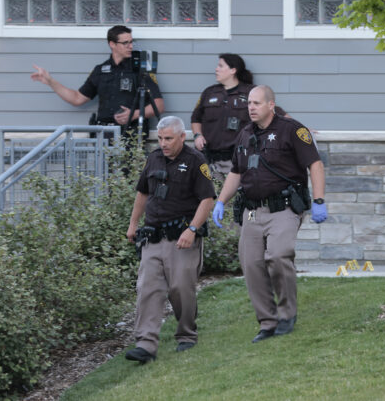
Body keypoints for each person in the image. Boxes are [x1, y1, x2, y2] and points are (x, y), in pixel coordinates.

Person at [212, 85, 327, 344]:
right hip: (252, 211)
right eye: (249, 103)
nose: (251, 107)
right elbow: (236, 172)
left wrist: (319, 200)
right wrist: (220, 201)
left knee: (278, 255)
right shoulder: (244, 135)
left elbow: (315, 164)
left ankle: (287, 315)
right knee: (251, 264)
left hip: (283, 209)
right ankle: (267, 322)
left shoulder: (293, 130)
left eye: (257, 103)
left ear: (271, 105)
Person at [125, 116, 216, 363]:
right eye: (160, 138)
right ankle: (146, 344)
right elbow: (143, 192)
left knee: (180, 288)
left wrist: (193, 230)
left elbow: (207, 199)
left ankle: (186, 334)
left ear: (181, 137)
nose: (163, 143)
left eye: (168, 139)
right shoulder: (153, 158)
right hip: (153, 236)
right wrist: (134, 223)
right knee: (147, 288)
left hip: (182, 238)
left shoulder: (196, 161)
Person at [31, 25, 164, 139]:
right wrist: (50, 81)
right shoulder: (100, 70)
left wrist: (134, 114)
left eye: (131, 42)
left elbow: (158, 106)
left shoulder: (140, 70)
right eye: (125, 43)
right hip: (103, 136)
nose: (131, 46)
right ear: (112, 44)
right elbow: (77, 98)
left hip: (131, 136)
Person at [190, 53, 286, 180]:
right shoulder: (209, 92)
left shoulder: (250, 92)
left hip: (238, 160)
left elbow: (275, 112)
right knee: (212, 195)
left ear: (233, 70)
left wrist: (298, 129)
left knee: (235, 197)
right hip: (210, 159)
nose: (216, 69)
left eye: (220, 66)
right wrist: (197, 135)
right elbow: (196, 118)